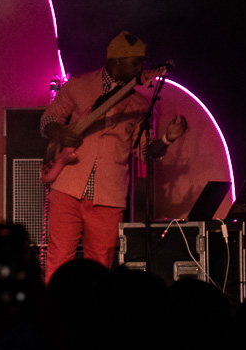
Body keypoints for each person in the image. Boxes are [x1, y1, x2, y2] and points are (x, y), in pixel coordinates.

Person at [40, 31, 187, 279]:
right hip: (67, 187)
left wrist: (166, 139)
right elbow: (48, 120)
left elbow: (144, 153)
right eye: (135, 62)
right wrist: (61, 134)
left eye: (142, 62)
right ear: (117, 60)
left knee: (99, 266)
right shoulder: (78, 85)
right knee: (58, 262)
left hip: (109, 196)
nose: (140, 67)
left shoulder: (139, 105)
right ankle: (55, 314)